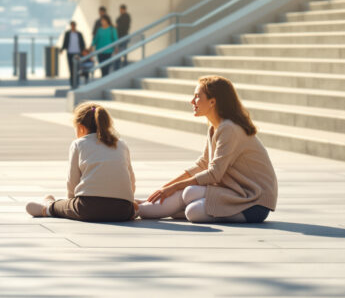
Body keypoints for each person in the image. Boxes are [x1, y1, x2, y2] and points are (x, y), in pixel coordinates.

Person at [137, 75, 277, 224]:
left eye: (197, 97)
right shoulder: (215, 127)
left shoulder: (229, 128)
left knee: (192, 210)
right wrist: (165, 188)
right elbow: (203, 164)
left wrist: (174, 187)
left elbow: (214, 174)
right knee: (188, 193)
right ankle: (139, 208)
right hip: (235, 194)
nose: (192, 101)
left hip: (254, 204)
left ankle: (144, 208)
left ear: (212, 101)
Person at [25, 103, 136, 222]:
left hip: (87, 208)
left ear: (81, 127)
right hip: (124, 211)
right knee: (135, 207)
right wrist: (126, 199)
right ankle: (143, 209)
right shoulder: (121, 144)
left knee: (55, 206)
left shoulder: (79, 144)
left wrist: (70, 202)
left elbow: (72, 181)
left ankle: (47, 208)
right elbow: (131, 179)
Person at [62, 21, 86, 88]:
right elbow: (65, 42)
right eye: (72, 25)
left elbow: (82, 43)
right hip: (70, 52)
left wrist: (83, 50)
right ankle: (72, 83)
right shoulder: (67, 33)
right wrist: (62, 49)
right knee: (71, 69)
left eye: (74, 25)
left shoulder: (79, 34)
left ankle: (77, 83)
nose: (73, 27)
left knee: (77, 68)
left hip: (77, 52)